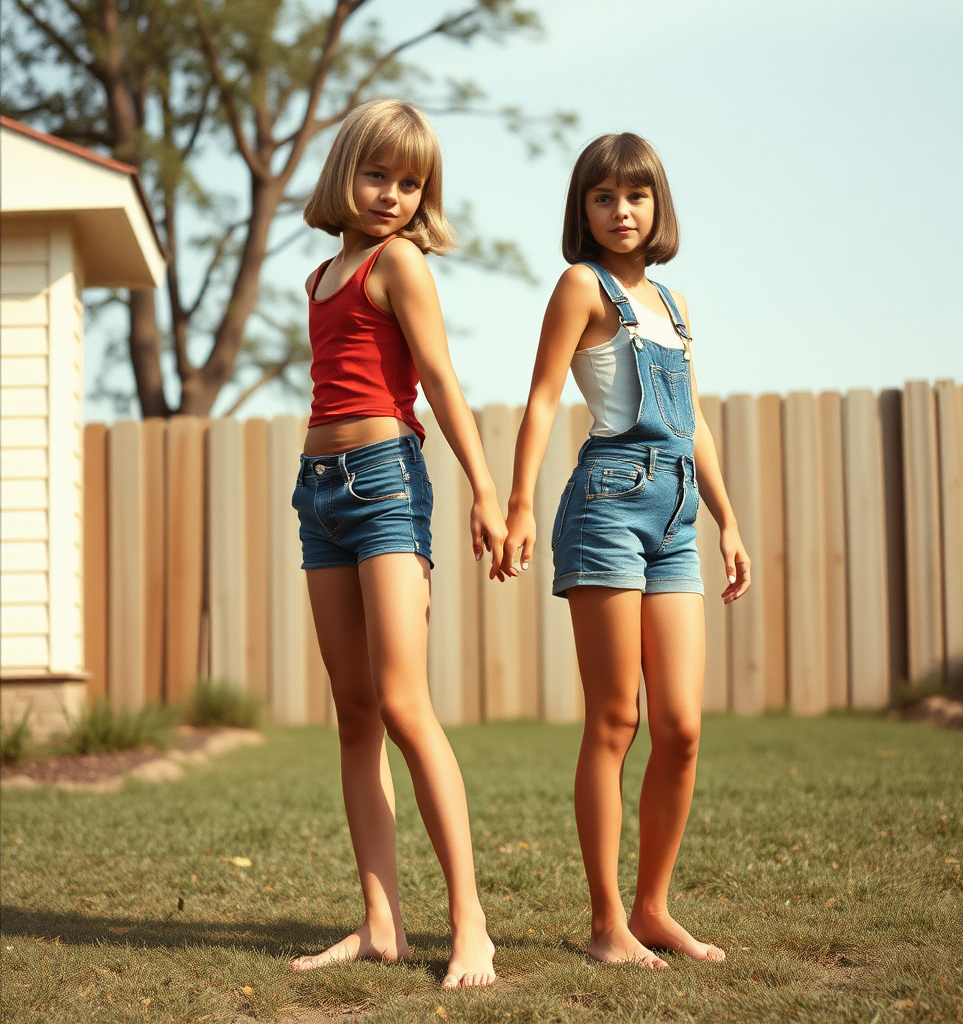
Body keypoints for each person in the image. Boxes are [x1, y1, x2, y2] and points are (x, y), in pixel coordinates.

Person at [500, 133, 751, 968]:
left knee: (680, 726)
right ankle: (606, 921)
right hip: (606, 502)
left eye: (636, 196)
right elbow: (540, 400)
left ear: (658, 206)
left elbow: (696, 422)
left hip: (677, 512)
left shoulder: (675, 308)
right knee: (617, 717)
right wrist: (518, 503)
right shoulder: (582, 287)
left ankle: (652, 909)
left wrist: (729, 520)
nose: (621, 211)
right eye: (603, 198)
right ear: (584, 211)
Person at [289, 98, 505, 988]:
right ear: (346, 173)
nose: (392, 195)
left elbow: (444, 385)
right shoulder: (317, 277)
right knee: (354, 712)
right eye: (378, 175)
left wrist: (487, 490)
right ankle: (382, 924)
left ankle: (473, 927)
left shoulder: (400, 262)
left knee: (404, 703)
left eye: (410, 183)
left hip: (385, 486)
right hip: (318, 494)